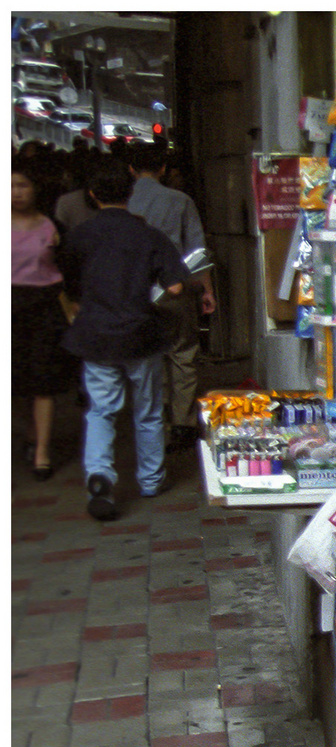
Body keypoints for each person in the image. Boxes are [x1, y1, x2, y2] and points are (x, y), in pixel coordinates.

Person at [58, 157, 190, 521]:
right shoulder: (148, 235)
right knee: (147, 412)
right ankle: (150, 480)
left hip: (96, 335)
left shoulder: (79, 236)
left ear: (91, 194)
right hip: (140, 334)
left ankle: (100, 474)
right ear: (130, 191)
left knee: (101, 410)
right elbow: (176, 285)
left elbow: (67, 284)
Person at [127, 140, 215, 451]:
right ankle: (183, 423)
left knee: (149, 354)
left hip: (135, 289)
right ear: (163, 169)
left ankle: (156, 416)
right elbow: (196, 249)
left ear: (131, 169)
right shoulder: (180, 200)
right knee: (183, 354)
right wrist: (206, 289)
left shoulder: (123, 203)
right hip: (175, 288)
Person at [12, 166, 79, 480]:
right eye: (10, 186)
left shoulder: (53, 227)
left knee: (43, 382)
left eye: (22, 185)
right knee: (16, 385)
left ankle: (42, 452)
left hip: (44, 309)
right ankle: (29, 433)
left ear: (35, 188)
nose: (16, 192)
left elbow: (69, 271)